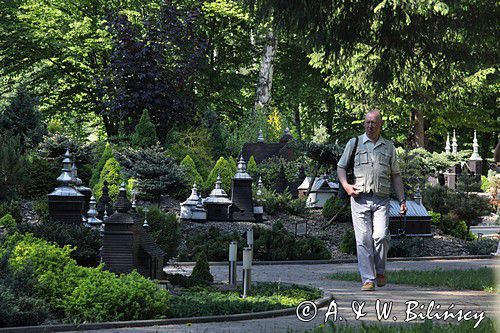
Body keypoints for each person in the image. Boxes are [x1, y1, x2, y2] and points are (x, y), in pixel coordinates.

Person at [337, 110, 407, 291]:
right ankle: (368, 279)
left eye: (373, 123)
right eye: (367, 122)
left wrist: (402, 200)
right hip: (359, 198)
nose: (370, 126)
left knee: (380, 237)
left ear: (380, 124)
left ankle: (381, 271)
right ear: (364, 124)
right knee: (363, 240)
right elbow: (341, 167)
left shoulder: (389, 147)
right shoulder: (355, 143)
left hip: (381, 199)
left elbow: (396, 175)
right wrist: (346, 186)